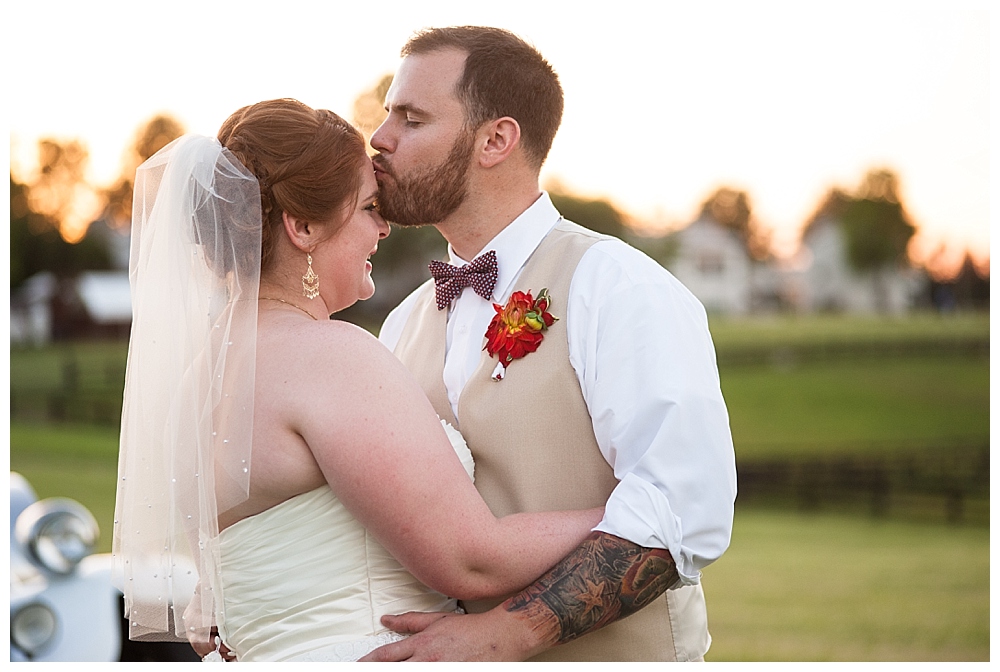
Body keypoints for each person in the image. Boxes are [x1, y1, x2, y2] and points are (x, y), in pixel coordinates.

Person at [111, 98, 604, 662]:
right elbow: (472, 559)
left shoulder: (195, 382)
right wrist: (635, 507)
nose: (385, 226)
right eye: (369, 206)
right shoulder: (328, 355)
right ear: (301, 227)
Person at [369, 26, 737, 661]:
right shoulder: (403, 322)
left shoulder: (618, 287)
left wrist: (507, 634)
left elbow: (682, 507)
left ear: (496, 140)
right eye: (387, 116)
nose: (379, 138)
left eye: (411, 117)